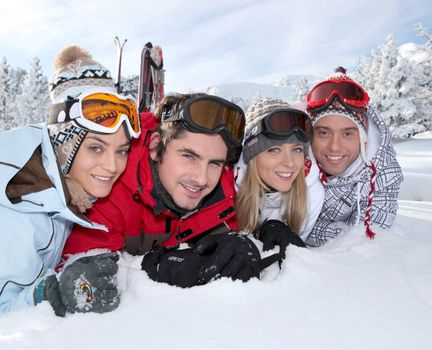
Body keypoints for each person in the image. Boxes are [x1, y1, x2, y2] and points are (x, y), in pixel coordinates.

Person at [64, 93, 262, 288]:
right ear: (156, 146)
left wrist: (249, 240)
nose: (201, 178)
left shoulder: (226, 189)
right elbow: (81, 275)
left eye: (214, 163)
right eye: (189, 156)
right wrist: (154, 269)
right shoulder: (109, 189)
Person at [0, 45, 141, 316]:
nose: (112, 166)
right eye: (95, 148)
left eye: (121, 150)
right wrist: (50, 293)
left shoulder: (58, 189)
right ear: (64, 145)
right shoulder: (19, 206)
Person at [304, 67, 403, 247]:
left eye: (348, 134)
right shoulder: (292, 163)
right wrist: (344, 231)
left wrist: (316, 231)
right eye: (324, 133)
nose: (334, 146)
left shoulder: (383, 170)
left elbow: (370, 235)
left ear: (364, 139)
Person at [234, 98, 324, 258]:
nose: (289, 163)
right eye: (274, 150)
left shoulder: (311, 193)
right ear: (252, 156)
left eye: (296, 150)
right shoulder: (230, 189)